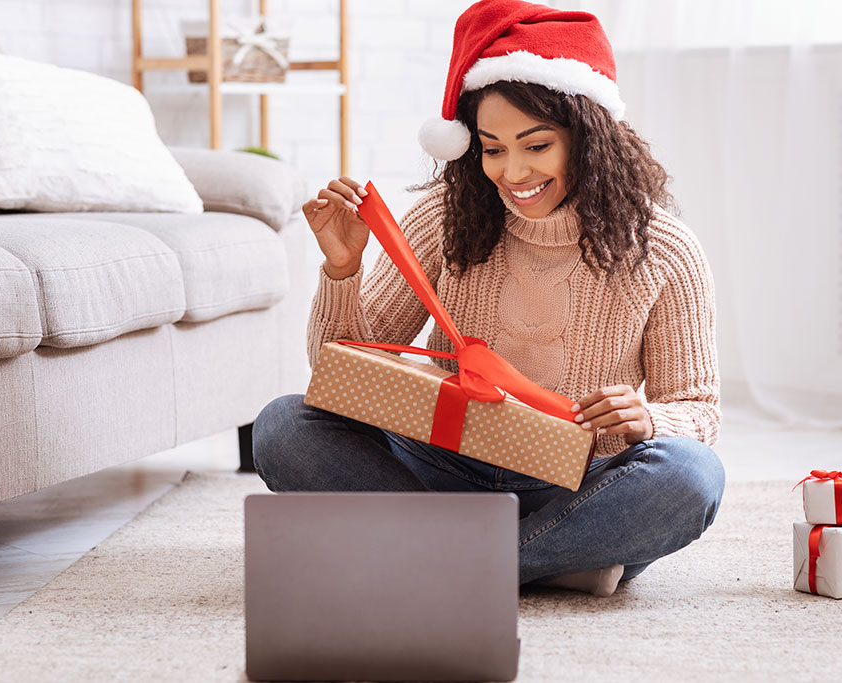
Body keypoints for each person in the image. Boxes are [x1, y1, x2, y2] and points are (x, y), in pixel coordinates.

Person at [252, 0, 724, 598]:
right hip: (445, 465)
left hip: (580, 482)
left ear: (589, 137)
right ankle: (548, 561)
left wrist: (649, 418)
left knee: (690, 476)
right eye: (492, 147)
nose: (512, 171)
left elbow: (698, 408)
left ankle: (440, 556)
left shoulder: (665, 249)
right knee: (282, 426)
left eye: (536, 145)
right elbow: (343, 377)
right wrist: (343, 269)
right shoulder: (445, 220)